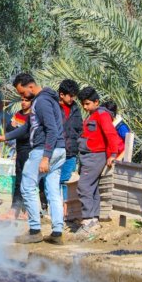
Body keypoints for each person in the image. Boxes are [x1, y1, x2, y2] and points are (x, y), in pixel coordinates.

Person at [0, 73, 67, 245]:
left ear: (30, 87)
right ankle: (57, 233)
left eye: (22, 93)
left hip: (44, 150)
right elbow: (28, 126)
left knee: (27, 186)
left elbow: (52, 130)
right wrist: (5, 137)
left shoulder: (41, 102)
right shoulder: (47, 100)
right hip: (59, 150)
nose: (22, 97)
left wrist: (45, 157)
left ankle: (34, 230)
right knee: (53, 190)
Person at [76, 87, 121, 237]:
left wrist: (113, 154)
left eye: (87, 103)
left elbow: (111, 134)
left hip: (95, 156)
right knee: (92, 187)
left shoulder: (101, 115)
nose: (85, 107)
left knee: (84, 186)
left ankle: (88, 220)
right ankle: (94, 219)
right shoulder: (92, 115)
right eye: (83, 103)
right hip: (88, 156)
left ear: (96, 102)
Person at [0, 97, 32, 221]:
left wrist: (16, 129)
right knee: (18, 181)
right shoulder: (18, 115)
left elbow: (25, 133)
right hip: (20, 151)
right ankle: (15, 210)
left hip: (30, 151)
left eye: (26, 100)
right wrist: (16, 130)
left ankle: (29, 211)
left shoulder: (33, 117)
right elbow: (9, 128)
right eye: (22, 100)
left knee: (29, 182)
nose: (23, 102)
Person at [58, 79, 83, 210]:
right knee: (52, 181)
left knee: (66, 181)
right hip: (55, 151)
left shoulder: (75, 109)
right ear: (62, 95)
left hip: (71, 153)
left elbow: (80, 129)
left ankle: (66, 211)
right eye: (71, 95)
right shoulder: (53, 108)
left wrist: (77, 145)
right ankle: (52, 208)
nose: (72, 98)